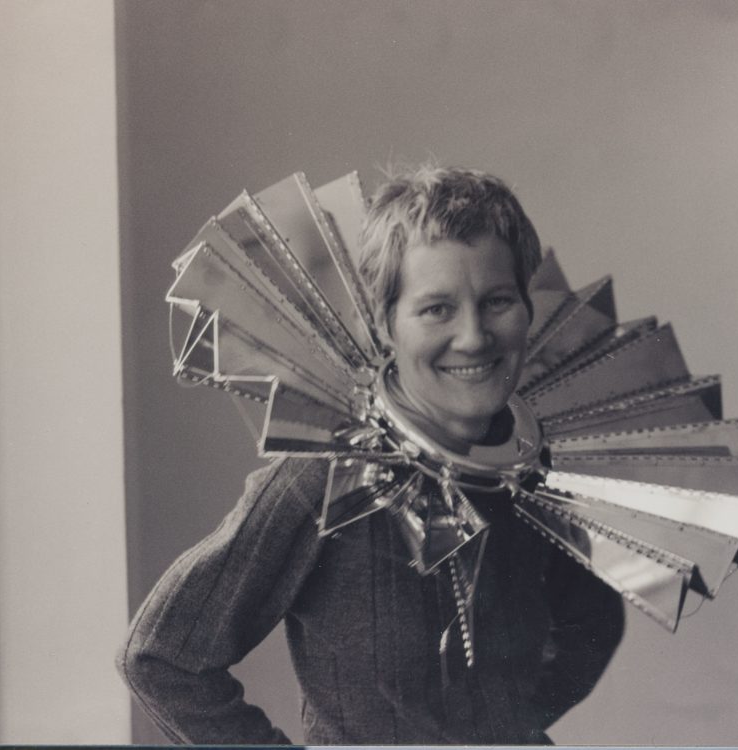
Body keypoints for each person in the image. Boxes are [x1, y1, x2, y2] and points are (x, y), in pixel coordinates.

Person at [117, 165, 625, 745]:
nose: (474, 336)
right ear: (386, 325)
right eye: (437, 308)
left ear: (529, 311)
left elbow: (595, 626)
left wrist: (501, 726)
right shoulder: (321, 478)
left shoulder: (540, 468)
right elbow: (161, 658)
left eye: (498, 301)